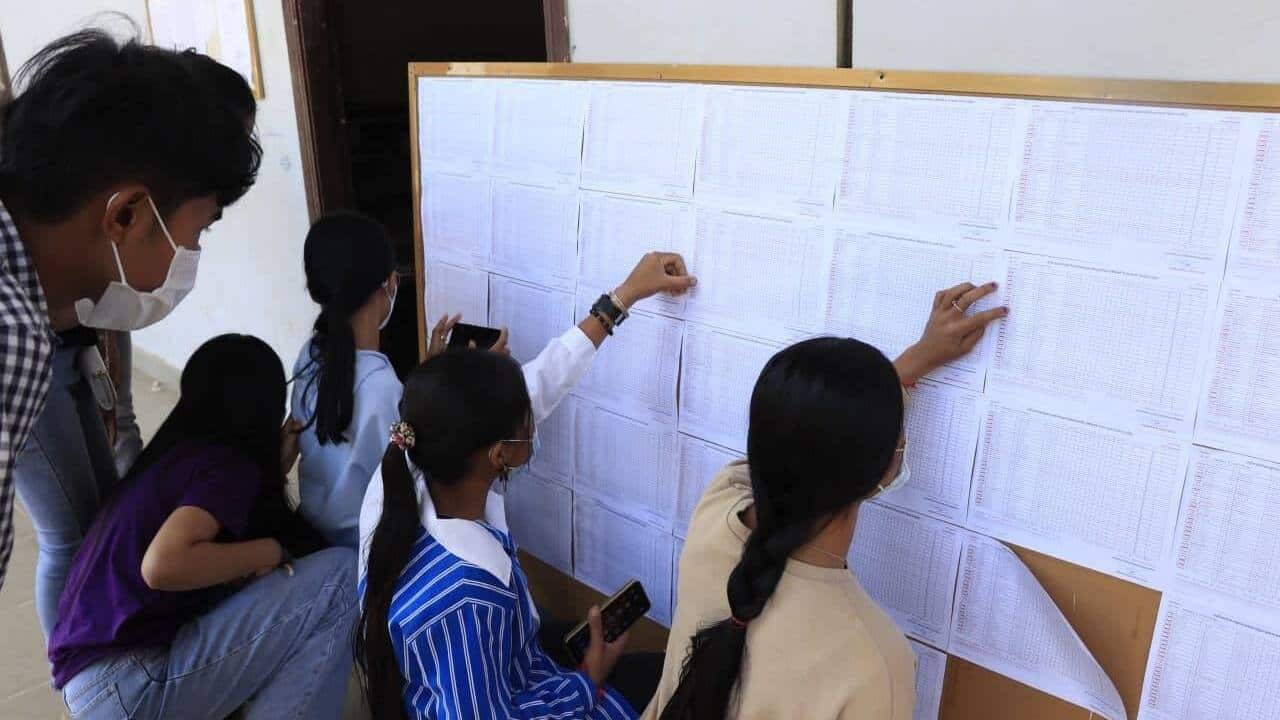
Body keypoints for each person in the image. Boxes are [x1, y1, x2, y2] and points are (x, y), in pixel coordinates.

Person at [647, 282, 1007, 720]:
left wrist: (916, 358)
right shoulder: (874, 662)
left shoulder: (718, 504)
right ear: (883, 468)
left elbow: (798, 438)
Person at [9, 38, 261, 639]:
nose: (193, 253)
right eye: (198, 229)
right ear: (124, 215)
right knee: (69, 528)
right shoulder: (12, 339)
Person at [291, 205, 695, 548]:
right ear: (390, 284)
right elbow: (534, 387)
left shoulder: (308, 359)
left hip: (323, 537)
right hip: (368, 549)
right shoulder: (385, 395)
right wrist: (471, 384)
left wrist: (435, 375)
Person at [49, 334, 354, 720]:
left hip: (93, 687)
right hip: (127, 689)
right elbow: (162, 565)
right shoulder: (226, 467)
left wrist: (271, 472)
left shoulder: (173, 459)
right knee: (340, 577)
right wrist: (271, 551)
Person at [355, 351, 660, 719]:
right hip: (535, 696)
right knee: (675, 681)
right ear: (500, 455)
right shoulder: (467, 598)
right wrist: (586, 679)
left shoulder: (404, 503)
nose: (533, 431)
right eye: (527, 426)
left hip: (519, 672)